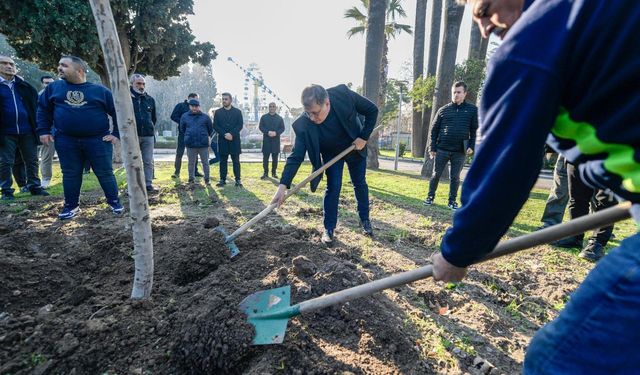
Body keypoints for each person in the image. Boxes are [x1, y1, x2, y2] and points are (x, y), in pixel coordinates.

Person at [432, 0, 640, 373]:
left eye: (483, 10)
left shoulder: (530, 43)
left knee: (555, 360)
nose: (483, 29)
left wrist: (457, 252)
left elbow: (504, 168)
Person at [271, 84, 378, 244]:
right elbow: (296, 156)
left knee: (359, 183)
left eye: (315, 113)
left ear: (327, 103)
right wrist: (282, 186)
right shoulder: (304, 124)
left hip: (355, 145)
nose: (312, 118)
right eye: (308, 113)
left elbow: (372, 110)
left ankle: (365, 220)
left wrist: (363, 137)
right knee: (333, 187)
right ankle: (328, 228)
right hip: (331, 153)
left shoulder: (343, 95)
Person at [37, 55, 123, 219]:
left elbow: (118, 112)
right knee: (70, 173)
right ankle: (71, 206)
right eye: (59, 64)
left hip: (98, 140)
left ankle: (114, 202)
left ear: (79, 70)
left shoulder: (100, 91)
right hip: (66, 140)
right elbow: (43, 110)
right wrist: (44, 131)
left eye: (64, 65)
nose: (59, 68)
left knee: (105, 172)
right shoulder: (53, 88)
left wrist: (115, 134)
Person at [0, 55, 48, 200]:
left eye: (12, 64)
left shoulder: (24, 86)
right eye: (4, 63)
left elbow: (36, 107)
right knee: (5, 162)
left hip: (27, 130)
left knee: (32, 160)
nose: (9, 66)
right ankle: (7, 191)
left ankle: (35, 187)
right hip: (5, 132)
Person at [423, 81, 478, 210]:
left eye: (459, 92)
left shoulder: (472, 110)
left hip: (460, 151)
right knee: (436, 174)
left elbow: (475, 130)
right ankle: (430, 197)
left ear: (465, 94)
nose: (456, 95)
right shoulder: (443, 110)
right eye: (454, 92)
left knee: (455, 177)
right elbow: (434, 130)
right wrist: (432, 148)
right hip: (442, 149)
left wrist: (472, 145)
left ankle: (452, 201)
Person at [553, 162, 616, 262]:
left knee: (606, 201)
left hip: (610, 155)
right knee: (577, 197)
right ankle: (575, 236)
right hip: (578, 153)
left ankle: (597, 243)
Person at [130, 73, 158, 193]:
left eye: (143, 84)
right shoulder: (126, 99)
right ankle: (133, 185)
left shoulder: (150, 99)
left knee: (148, 161)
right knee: (132, 162)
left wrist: (149, 128)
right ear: (132, 84)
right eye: (138, 83)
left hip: (148, 135)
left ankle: (148, 184)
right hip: (132, 135)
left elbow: (153, 118)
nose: (141, 86)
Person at [212, 92, 243, 187]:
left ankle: (238, 180)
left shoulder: (238, 112)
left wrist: (231, 134)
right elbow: (215, 126)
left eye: (226, 99)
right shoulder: (217, 112)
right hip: (222, 140)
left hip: (234, 140)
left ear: (231, 100)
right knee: (223, 161)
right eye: (223, 99)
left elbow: (240, 125)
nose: (224, 101)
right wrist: (225, 134)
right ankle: (222, 180)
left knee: (236, 161)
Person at [180, 99, 213, 185]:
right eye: (192, 106)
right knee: (191, 163)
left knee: (205, 162)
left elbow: (210, 129)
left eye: (196, 106)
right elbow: (182, 128)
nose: (194, 108)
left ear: (199, 107)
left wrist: (204, 136)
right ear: (189, 106)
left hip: (203, 145)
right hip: (190, 144)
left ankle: (207, 179)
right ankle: (191, 179)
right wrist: (188, 135)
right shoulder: (184, 116)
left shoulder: (205, 117)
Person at [170, 93, 202, 178]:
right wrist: (183, 121)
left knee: (195, 153)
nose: (197, 101)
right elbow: (173, 116)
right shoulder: (180, 106)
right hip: (183, 133)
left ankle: (195, 171)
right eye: (196, 99)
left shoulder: (197, 108)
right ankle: (177, 172)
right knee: (179, 153)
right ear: (190, 98)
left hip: (194, 134)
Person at [538, 152, 568, 229]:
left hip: (596, 153)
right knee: (559, 190)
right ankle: (550, 225)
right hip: (567, 152)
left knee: (595, 195)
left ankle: (598, 230)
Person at [38, 75, 56, 188]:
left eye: (51, 83)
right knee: (46, 157)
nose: (48, 85)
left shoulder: (59, 94)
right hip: (48, 132)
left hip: (63, 131)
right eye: (46, 83)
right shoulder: (39, 96)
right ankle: (45, 179)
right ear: (42, 84)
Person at [259, 102, 285, 179]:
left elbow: (282, 128)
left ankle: (274, 173)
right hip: (266, 141)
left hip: (276, 141)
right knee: (265, 158)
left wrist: (276, 133)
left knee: (275, 158)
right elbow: (261, 127)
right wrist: (268, 132)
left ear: (275, 108)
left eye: (273, 106)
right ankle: (265, 173)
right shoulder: (263, 117)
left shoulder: (280, 118)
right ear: (268, 107)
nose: (272, 108)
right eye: (270, 106)